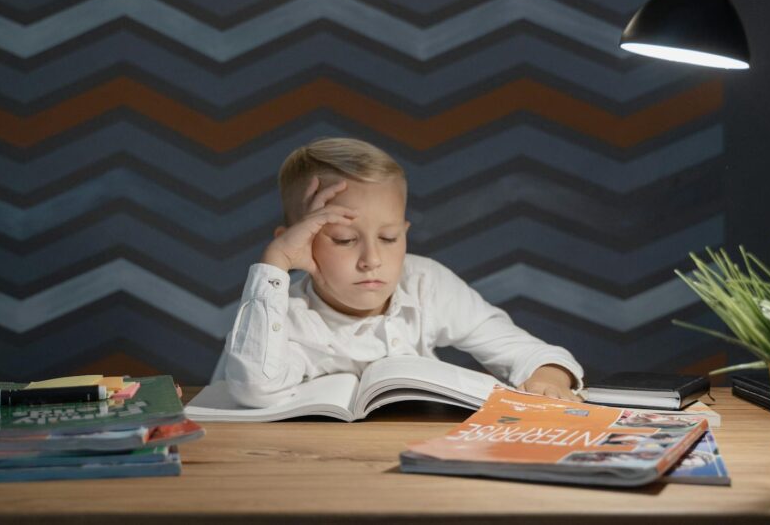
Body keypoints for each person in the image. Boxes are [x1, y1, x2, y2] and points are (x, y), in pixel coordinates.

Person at [219, 137, 584, 408]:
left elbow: (528, 351)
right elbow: (253, 388)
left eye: (389, 237)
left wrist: (547, 379)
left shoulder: (425, 283)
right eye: (345, 240)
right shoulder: (283, 314)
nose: (372, 259)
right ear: (299, 243)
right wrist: (275, 264)